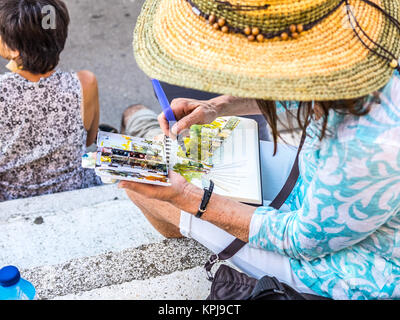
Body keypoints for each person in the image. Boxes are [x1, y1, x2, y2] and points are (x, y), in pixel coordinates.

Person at [122, 0, 400, 300]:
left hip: (363, 265)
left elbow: (301, 239)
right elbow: (298, 91)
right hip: (325, 197)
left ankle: (189, 229)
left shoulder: (369, 147)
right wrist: (216, 107)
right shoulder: (364, 57)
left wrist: (191, 200)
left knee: (146, 189)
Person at [0, 0, 102, 202]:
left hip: (12, 200)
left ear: (14, 51)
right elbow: (89, 140)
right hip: (73, 191)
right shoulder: (85, 83)